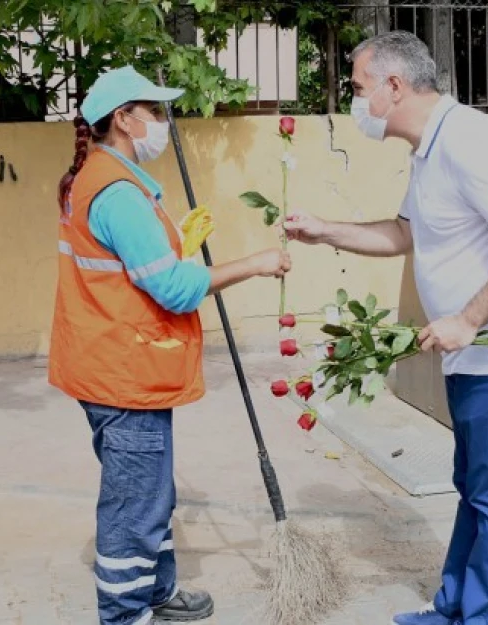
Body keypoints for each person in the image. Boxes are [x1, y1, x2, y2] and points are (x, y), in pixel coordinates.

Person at [284, 32, 488, 625]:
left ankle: (479, 618)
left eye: (360, 89)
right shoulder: (429, 149)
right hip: (471, 358)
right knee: (474, 485)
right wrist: (325, 231)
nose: (356, 103)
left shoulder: (470, 142)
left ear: (394, 86)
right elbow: (405, 234)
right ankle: (451, 609)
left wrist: (468, 319)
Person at [48, 66, 291, 625]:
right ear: (123, 119)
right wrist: (253, 264)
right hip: (124, 372)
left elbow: (134, 267)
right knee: (134, 505)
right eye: (154, 111)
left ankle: (157, 590)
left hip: (115, 362)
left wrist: (179, 240)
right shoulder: (118, 193)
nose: (162, 122)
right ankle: (126, 613)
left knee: (152, 493)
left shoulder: (103, 176)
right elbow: (175, 290)